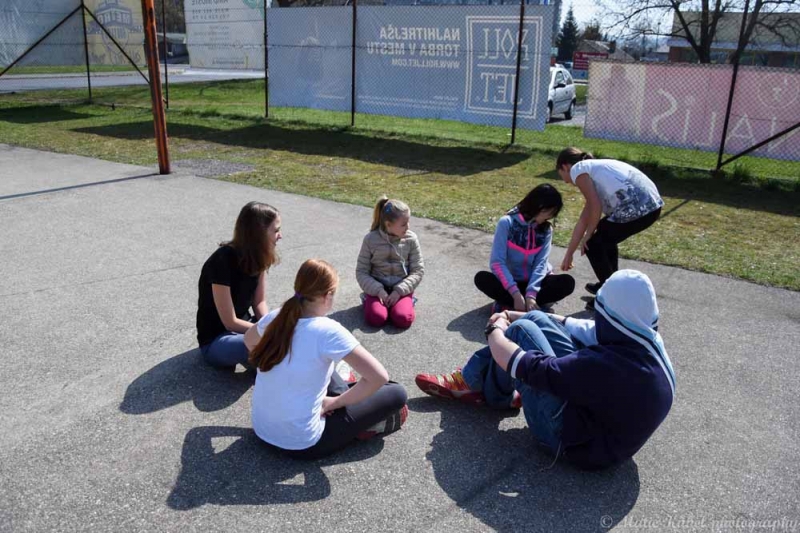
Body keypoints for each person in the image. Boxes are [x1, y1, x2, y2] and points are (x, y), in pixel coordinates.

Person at [416, 269, 675, 470]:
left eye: (600, 313)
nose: (596, 318)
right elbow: (577, 326)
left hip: (575, 445)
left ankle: (484, 390)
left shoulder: (610, 366)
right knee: (535, 318)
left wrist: (495, 330)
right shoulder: (643, 338)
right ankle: (479, 383)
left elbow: (529, 367)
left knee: (519, 332)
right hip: (601, 426)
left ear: (612, 318)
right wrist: (513, 314)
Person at [245, 259, 408, 460]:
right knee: (396, 392)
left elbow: (248, 340)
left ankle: (343, 393)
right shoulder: (328, 330)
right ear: (328, 295)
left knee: (323, 366)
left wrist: (281, 371)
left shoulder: (275, 316)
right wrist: (332, 403)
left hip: (263, 431)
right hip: (304, 444)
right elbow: (379, 377)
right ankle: (355, 416)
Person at [556, 147, 663, 309]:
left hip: (639, 208)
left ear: (565, 166)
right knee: (604, 237)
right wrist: (569, 254)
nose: (566, 181)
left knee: (593, 244)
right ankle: (610, 283)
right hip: (651, 206)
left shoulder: (578, 169)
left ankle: (611, 297)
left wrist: (588, 236)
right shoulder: (593, 171)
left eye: (561, 175)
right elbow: (584, 220)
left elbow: (595, 206)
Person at [196, 201, 281, 368]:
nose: (280, 235)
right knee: (268, 347)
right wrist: (266, 334)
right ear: (259, 232)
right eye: (276, 230)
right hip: (217, 339)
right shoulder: (222, 261)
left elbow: (259, 302)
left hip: (245, 327)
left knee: (290, 331)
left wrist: (269, 326)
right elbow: (230, 322)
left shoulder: (258, 256)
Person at [474, 183, 575, 313]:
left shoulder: (546, 229)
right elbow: (497, 263)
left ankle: (512, 306)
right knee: (482, 278)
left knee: (567, 282)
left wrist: (531, 294)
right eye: (549, 212)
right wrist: (516, 294)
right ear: (539, 206)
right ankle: (530, 306)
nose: (549, 217)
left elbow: (541, 264)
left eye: (552, 214)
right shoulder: (507, 223)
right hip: (510, 282)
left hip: (535, 283)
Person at [356, 196, 425, 328]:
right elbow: (361, 271)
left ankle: (407, 301)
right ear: (388, 225)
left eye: (408, 222)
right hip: (377, 289)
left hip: (402, 288)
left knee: (403, 319)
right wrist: (378, 290)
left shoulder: (411, 239)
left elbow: (418, 270)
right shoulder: (370, 239)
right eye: (403, 224)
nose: (408, 227)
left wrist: (399, 291)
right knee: (376, 318)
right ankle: (367, 299)